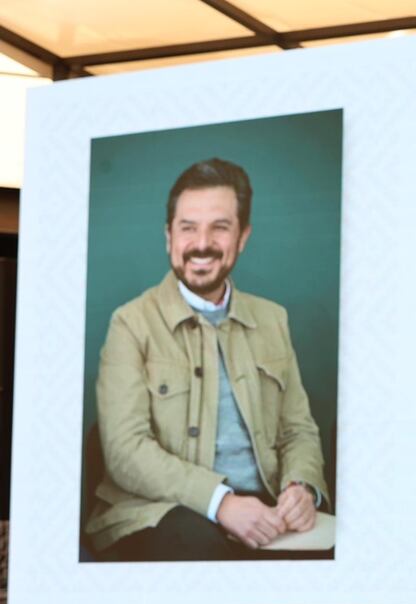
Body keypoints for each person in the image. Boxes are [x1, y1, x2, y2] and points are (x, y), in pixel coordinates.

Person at [85, 157, 330, 561]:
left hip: (266, 513)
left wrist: (301, 488)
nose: (202, 243)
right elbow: (125, 450)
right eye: (188, 228)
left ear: (243, 237)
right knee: (199, 549)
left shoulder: (274, 319)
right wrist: (221, 503)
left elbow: (298, 429)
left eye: (219, 227)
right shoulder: (130, 324)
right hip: (157, 513)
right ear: (169, 237)